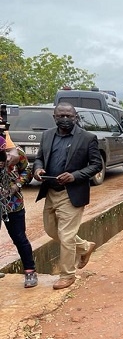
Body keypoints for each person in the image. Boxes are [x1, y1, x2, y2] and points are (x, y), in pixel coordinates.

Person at [32, 103, 103, 290]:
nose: (65, 119)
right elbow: (39, 157)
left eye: (69, 116)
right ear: (54, 117)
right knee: (51, 231)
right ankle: (85, 246)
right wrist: (38, 168)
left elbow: (96, 165)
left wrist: (75, 176)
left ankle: (67, 275)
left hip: (72, 193)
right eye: (61, 115)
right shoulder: (47, 135)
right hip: (50, 190)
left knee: (66, 235)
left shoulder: (87, 138)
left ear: (75, 117)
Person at [0, 140, 37, 288]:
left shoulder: (16, 152)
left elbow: (27, 170)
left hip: (12, 202)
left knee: (19, 238)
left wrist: (16, 185)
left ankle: (30, 271)